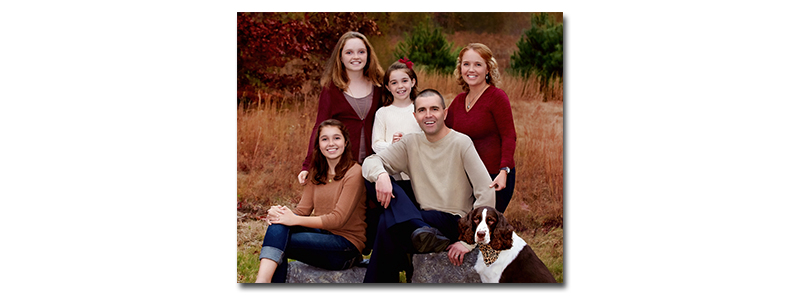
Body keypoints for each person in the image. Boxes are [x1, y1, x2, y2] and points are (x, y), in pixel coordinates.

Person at [361, 89, 496, 283]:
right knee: (373, 178)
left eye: (434, 109)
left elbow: (486, 190)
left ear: (445, 112)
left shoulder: (461, 142)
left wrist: (468, 241)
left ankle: (415, 229)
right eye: (422, 110)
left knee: (386, 222)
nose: (429, 115)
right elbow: (370, 162)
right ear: (415, 116)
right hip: (424, 223)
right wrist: (382, 175)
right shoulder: (411, 142)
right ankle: (417, 226)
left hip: (453, 221)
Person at [255, 119, 367, 283]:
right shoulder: (316, 172)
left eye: (336, 138)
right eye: (324, 139)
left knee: (281, 241)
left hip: (345, 247)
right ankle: (262, 280)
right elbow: (302, 211)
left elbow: (338, 219)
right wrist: (279, 214)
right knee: (279, 226)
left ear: (346, 142)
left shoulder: (354, 172)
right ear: (319, 145)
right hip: (323, 236)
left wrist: (293, 219)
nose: (331, 143)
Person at [297, 31, 384, 185]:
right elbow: (319, 126)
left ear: (368, 55)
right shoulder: (331, 89)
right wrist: (307, 165)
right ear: (340, 57)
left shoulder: (378, 85)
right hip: (344, 164)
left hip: (375, 163)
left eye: (361, 52)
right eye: (349, 52)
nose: (356, 57)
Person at [444, 43, 518, 213]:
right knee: (467, 229)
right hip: (466, 177)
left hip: (494, 177)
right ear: (460, 68)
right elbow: (441, 133)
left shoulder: (497, 97)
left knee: (486, 231)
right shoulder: (458, 101)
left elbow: (509, 136)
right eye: (466, 64)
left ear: (488, 69)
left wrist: (504, 171)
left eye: (478, 64)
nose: (471, 69)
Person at [371, 58, 423, 208]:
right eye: (394, 83)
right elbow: (376, 144)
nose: (400, 86)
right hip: (392, 176)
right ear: (387, 87)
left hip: (417, 174)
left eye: (404, 81)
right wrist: (392, 145)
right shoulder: (383, 113)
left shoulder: (420, 109)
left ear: (412, 82)